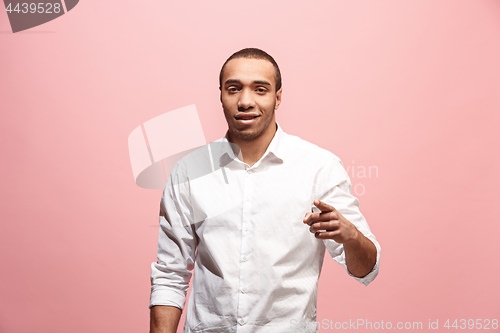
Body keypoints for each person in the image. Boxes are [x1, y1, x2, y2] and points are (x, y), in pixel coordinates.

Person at [149, 48, 380, 333]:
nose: (245, 101)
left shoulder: (320, 167)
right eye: (233, 89)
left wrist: (351, 236)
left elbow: (365, 268)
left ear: (278, 97)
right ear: (220, 95)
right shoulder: (189, 172)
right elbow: (170, 274)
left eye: (260, 89)